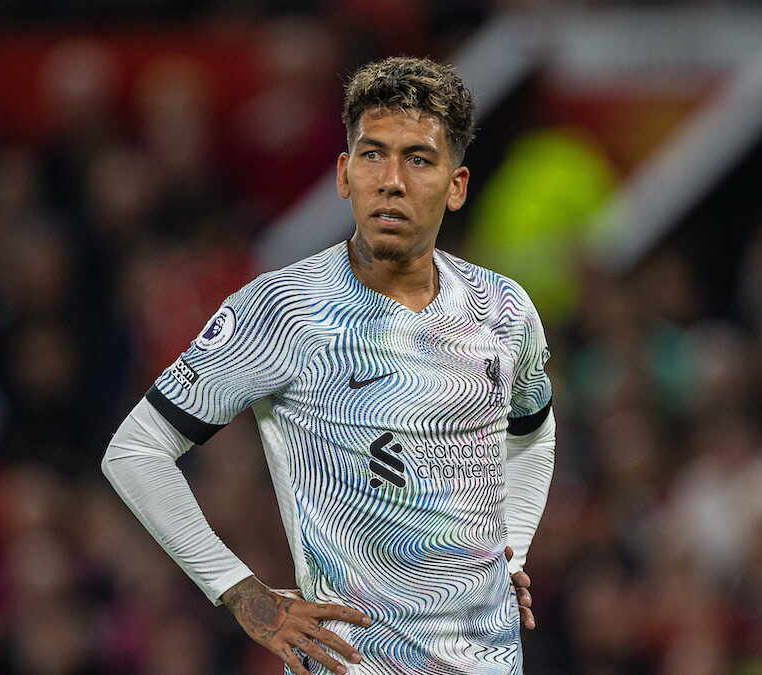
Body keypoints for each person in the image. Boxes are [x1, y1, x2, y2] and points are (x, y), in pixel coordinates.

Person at [102, 56, 557, 675]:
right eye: (373, 155)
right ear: (344, 174)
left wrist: (514, 549)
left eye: (418, 160)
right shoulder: (284, 310)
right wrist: (242, 593)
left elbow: (532, 432)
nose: (391, 180)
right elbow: (135, 451)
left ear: (457, 185)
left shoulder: (503, 308)